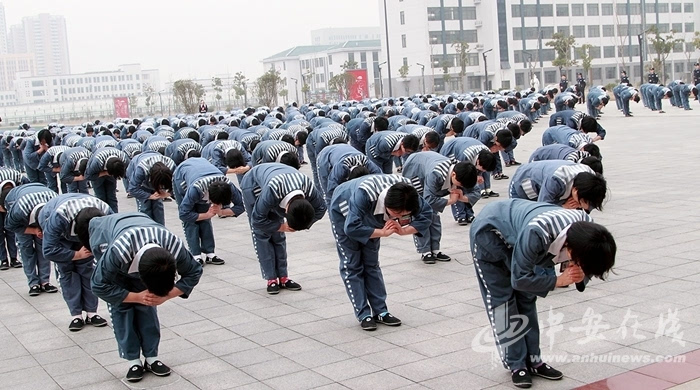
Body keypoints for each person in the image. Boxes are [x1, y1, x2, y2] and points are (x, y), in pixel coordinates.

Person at [470, 199, 616, 388]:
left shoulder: (588, 231)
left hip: (521, 234)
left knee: (527, 299)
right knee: (504, 300)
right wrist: (557, 281)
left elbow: (587, 262)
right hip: (490, 235)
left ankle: (533, 360)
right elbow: (519, 279)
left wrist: (579, 277)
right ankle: (516, 364)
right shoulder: (538, 232)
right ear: (571, 250)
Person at [84, 212, 202, 382]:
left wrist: (166, 296)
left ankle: (151, 357)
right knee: (122, 308)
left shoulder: (174, 246)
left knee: (148, 305)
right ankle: (133, 360)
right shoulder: (118, 251)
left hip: (143, 234)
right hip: (106, 235)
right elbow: (98, 285)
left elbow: (194, 272)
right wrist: (134, 296)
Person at [329, 176, 432, 330]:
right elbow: (350, 227)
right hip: (343, 208)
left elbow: (427, 215)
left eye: (403, 215)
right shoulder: (365, 194)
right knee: (352, 264)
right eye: (396, 214)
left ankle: (381, 311)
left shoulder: (409, 193)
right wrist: (382, 233)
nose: (398, 218)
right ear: (386, 204)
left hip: (373, 214)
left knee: (371, 263)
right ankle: (363, 313)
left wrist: (403, 231)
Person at [240, 163, 326, 294]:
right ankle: (271, 278)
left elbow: (321, 208)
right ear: (285, 209)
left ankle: (284, 277)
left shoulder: (308, 187)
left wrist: (304, 224)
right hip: (253, 185)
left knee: (279, 237)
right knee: (262, 234)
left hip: (280, 181)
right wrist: (281, 226)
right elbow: (257, 220)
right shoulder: (273, 190)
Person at [38, 194, 112, 331]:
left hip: (80, 225)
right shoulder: (59, 217)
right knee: (67, 271)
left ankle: (92, 313)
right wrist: (76, 254)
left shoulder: (106, 213)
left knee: (88, 270)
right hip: (58, 232)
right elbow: (48, 250)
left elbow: (112, 239)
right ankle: (76, 315)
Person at [402, 152, 478, 264]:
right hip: (415, 171)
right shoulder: (436, 174)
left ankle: (435, 249)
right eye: (460, 184)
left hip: (430, 168)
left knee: (435, 216)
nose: (461, 186)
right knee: (421, 213)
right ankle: (425, 251)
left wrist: (463, 197)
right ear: (453, 175)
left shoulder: (465, 171)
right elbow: (428, 199)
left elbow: (476, 192)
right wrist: (451, 201)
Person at [172, 158, 244, 266]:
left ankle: (210, 253)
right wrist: (206, 215)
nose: (216, 205)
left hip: (203, 172)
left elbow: (241, 206)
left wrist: (222, 212)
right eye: (215, 202)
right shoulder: (196, 189)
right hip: (182, 176)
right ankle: (196, 255)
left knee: (205, 219)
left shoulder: (228, 186)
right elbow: (184, 214)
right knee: (191, 221)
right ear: (209, 196)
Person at [2, 183, 58, 295]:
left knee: (43, 248)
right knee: (25, 248)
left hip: (39, 199)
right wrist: (33, 230)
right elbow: (10, 226)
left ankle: (45, 282)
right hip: (20, 214)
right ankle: (33, 283)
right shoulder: (19, 209)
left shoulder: (56, 205)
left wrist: (43, 232)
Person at [509, 160, 606, 208]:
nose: (580, 206)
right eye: (581, 203)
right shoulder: (556, 180)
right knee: (524, 216)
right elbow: (542, 208)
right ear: (575, 191)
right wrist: (563, 206)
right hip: (523, 182)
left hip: (545, 183)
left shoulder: (592, 178)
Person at [315, 143, 382, 207]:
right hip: (325, 154)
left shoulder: (371, 166)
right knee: (328, 194)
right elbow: (332, 191)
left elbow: (381, 182)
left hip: (345, 150)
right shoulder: (341, 168)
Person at [126, 151, 175, 225]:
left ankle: (160, 230)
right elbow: (133, 189)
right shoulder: (141, 169)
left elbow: (178, 186)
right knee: (145, 206)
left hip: (156, 166)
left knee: (158, 206)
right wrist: (150, 196)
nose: (160, 187)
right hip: (136, 166)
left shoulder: (171, 166)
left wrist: (167, 194)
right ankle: (147, 228)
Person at [84, 147, 129, 213]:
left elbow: (129, 173)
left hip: (113, 168)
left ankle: (114, 215)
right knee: (101, 197)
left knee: (112, 196)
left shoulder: (124, 159)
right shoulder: (97, 162)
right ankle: (103, 216)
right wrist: (105, 173)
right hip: (97, 173)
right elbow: (88, 176)